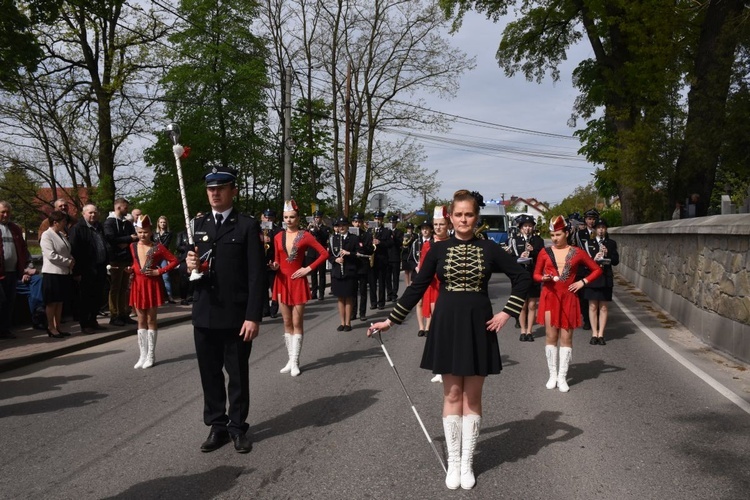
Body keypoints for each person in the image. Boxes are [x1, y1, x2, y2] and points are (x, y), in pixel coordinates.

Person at [369, 190, 530, 491]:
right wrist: (390, 321)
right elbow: (416, 287)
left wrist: (507, 313)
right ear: (451, 217)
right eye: (459, 214)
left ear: (476, 217)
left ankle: (467, 462)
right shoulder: (437, 250)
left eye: (469, 214)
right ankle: (453, 462)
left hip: (479, 325)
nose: (464, 219)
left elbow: (522, 278)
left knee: (472, 397)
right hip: (446, 324)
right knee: (452, 395)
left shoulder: (489, 249)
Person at [185, 166, 265, 454]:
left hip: (235, 315)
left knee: (237, 374)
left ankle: (237, 427)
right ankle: (217, 425)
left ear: (233, 190)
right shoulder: (198, 225)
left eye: (221, 187)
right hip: (205, 311)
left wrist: (253, 315)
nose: (215, 193)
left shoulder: (246, 225)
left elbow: (257, 274)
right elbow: (189, 271)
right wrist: (189, 266)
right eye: (210, 188)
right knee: (210, 373)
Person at [533, 215, 603, 393]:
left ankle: (563, 376)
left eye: (558, 234)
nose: (555, 238)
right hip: (550, 297)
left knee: (566, 338)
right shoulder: (544, 252)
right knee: (551, 336)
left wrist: (582, 282)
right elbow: (535, 275)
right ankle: (552, 375)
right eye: (552, 235)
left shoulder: (577, 252)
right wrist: (544, 278)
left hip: (569, 298)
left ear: (566, 232)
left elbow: (596, 269)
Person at [270, 200, 329, 376]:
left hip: (297, 281)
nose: (289, 220)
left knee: (297, 322)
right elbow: (277, 259)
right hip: (281, 281)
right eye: (286, 217)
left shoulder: (305, 235)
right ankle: (289, 359)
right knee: (286, 322)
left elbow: (324, 253)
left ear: (298, 218)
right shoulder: (277, 237)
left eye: (292, 217)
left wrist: (308, 268)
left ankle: (295, 361)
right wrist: (274, 266)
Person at [128, 215, 179, 369]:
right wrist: (131, 269)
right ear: (136, 231)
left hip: (151, 284)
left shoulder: (158, 247)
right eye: (139, 232)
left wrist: (160, 272)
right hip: (137, 284)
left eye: (145, 232)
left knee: (151, 320)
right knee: (140, 319)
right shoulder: (132, 246)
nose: (142, 235)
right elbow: (135, 262)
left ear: (151, 231)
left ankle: (151, 354)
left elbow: (175, 261)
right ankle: (142, 355)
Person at [69, 204, 109, 334]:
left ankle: (93, 320)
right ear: (83, 214)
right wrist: (77, 271)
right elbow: (74, 250)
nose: (93, 215)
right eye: (90, 213)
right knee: (86, 298)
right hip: (86, 269)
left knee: (98, 296)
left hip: (100, 267)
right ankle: (85, 324)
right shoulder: (78, 229)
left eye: (95, 212)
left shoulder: (99, 227)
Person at [581, 218, 619, 345]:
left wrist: (607, 254)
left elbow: (615, 261)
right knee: (592, 306)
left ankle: (601, 334)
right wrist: (593, 258)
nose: (601, 230)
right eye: (598, 228)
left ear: (606, 229)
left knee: (603, 307)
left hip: (605, 277)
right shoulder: (588, 243)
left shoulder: (611, 243)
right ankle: (594, 333)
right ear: (595, 230)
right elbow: (584, 262)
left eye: (603, 227)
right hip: (593, 278)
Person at [507, 215, 545, 341]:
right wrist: (518, 258)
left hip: (533, 274)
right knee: (522, 304)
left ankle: (529, 331)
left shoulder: (538, 240)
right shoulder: (514, 240)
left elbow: (542, 257)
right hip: (520, 275)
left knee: (532, 305)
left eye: (530, 226)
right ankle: (523, 330)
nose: (528, 229)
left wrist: (533, 251)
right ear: (520, 228)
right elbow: (510, 258)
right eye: (525, 226)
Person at [0, 201, 34, 339]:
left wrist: (27, 266)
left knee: (9, 302)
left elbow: (23, 248)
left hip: (13, 272)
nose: (6, 214)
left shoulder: (15, 228)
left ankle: (5, 330)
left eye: (8, 212)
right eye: (3, 212)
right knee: (1, 301)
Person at [39, 211, 75, 338]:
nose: (65, 224)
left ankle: (58, 326)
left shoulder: (60, 234)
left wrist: (70, 258)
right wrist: (68, 262)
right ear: (55, 222)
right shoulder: (46, 235)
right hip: (52, 272)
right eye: (63, 222)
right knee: (52, 302)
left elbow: (66, 250)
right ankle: (51, 327)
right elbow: (51, 255)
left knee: (60, 302)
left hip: (63, 272)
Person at [102, 198, 138, 326]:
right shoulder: (109, 223)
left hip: (126, 258)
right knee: (115, 287)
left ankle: (124, 313)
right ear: (118, 207)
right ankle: (114, 314)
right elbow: (110, 238)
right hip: (115, 259)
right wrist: (127, 239)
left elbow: (135, 236)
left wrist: (126, 240)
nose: (127, 210)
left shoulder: (127, 223)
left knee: (124, 287)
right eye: (125, 208)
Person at [328, 216, 359, 331]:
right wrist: (335, 260)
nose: (341, 227)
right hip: (337, 272)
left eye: (344, 225)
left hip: (349, 271)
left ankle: (348, 322)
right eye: (339, 226)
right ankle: (342, 322)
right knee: (340, 298)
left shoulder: (354, 238)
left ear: (347, 226)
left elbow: (359, 254)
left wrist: (348, 253)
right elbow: (329, 255)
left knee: (349, 297)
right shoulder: (333, 239)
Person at [409, 219, 433, 337]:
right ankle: (421, 327)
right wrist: (415, 266)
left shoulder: (434, 243)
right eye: (423, 228)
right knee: (419, 302)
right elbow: (410, 259)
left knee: (429, 301)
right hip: (418, 275)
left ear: (430, 230)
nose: (425, 230)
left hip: (430, 276)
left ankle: (428, 327)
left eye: (427, 228)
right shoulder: (416, 243)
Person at [350, 213, 373, 322]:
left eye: (359, 222)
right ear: (352, 223)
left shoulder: (367, 235)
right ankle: (353, 313)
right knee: (353, 291)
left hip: (363, 265)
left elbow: (370, 250)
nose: (357, 224)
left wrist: (361, 245)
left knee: (363, 290)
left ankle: (362, 313)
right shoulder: (349, 235)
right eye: (355, 222)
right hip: (352, 265)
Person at [368, 211, 393, 310]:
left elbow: (390, 243)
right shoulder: (370, 231)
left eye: (379, 219)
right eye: (376, 219)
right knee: (372, 283)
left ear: (382, 220)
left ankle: (381, 302)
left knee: (381, 282)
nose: (377, 220)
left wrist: (380, 242)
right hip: (371, 259)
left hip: (382, 260)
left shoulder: (386, 231)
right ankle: (373, 302)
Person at [260, 208, 282, 318]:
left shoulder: (278, 230)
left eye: (270, 218)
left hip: (273, 263)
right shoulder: (257, 230)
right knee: (262, 288)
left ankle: (274, 309)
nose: (268, 219)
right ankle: (265, 309)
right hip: (261, 263)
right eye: (266, 217)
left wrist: (271, 239)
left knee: (274, 288)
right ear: (262, 217)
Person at [305, 210, 330, 300]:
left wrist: (317, 229)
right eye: (315, 217)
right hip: (311, 252)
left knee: (322, 273)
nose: (316, 219)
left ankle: (321, 293)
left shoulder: (325, 228)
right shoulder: (310, 228)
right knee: (313, 274)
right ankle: (314, 293)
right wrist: (308, 229)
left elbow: (324, 237)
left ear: (321, 218)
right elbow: (305, 237)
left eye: (318, 217)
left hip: (320, 253)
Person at [154, 215, 176, 304]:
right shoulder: (154, 234)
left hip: (163, 255)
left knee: (165, 276)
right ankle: (157, 297)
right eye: (161, 222)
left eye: (164, 222)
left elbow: (165, 244)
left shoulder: (169, 233)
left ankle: (170, 296)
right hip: (155, 255)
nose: (163, 224)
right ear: (158, 224)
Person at [386, 214, 403, 301]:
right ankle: (389, 293)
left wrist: (394, 236)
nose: (392, 224)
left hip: (395, 257)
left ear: (396, 223)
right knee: (387, 277)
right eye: (391, 222)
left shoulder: (399, 232)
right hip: (387, 257)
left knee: (395, 277)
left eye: (393, 222)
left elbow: (400, 243)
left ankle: (394, 294)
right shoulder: (386, 231)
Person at [400, 222, 417, 287]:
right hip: (405, 254)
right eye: (408, 228)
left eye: (411, 228)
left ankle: (411, 283)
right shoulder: (404, 235)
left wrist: (412, 238)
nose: (409, 230)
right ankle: (407, 285)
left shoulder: (415, 236)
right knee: (406, 270)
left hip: (412, 254)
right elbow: (402, 243)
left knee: (411, 270)